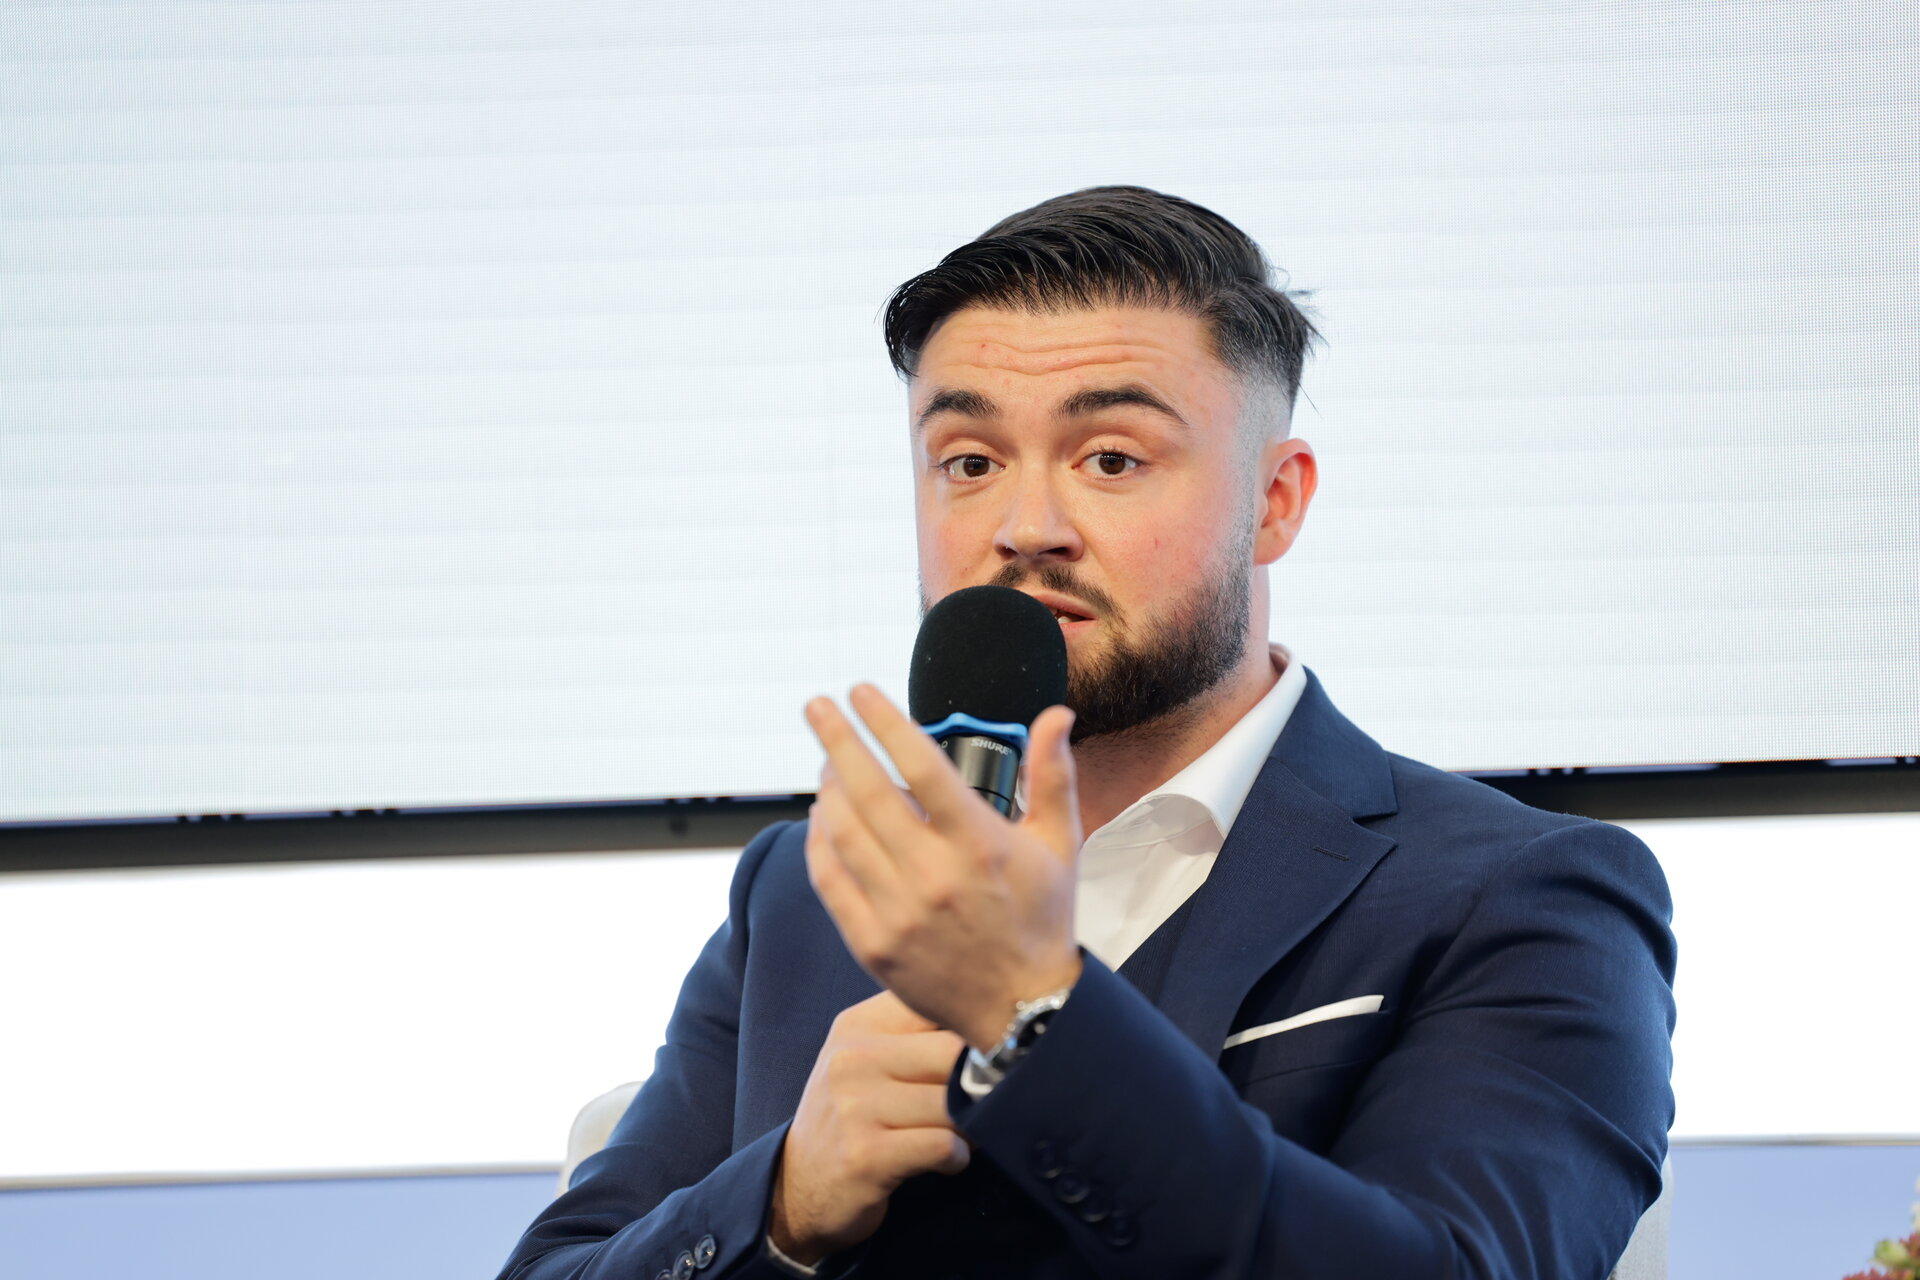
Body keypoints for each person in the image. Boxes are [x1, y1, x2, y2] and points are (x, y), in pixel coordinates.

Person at [494, 186, 1676, 1280]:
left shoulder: (1525, 895)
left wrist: (1034, 1014)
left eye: (1111, 458)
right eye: (969, 461)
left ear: (1275, 502)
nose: (1025, 525)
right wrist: (787, 1198)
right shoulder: (803, 890)